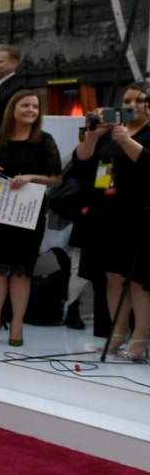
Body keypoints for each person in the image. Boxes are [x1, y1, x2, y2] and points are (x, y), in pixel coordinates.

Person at [65, 82, 150, 359]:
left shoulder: (138, 133)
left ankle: (140, 340)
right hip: (107, 214)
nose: (132, 104)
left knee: (138, 280)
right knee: (113, 276)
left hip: (138, 213)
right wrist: (92, 134)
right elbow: (80, 160)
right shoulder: (108, 132)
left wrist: (126, 139)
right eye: (127, 99)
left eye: (140, 100)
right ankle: (117, 333)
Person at [0, 90, 62, 346]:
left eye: (35, 107)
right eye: (26, 105)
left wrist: (32, 177)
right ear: (13, 109)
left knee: (22, 271)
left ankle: (17, 325)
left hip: (28, 215)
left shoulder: (44, 141)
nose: (31, 110)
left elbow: (57, 178)